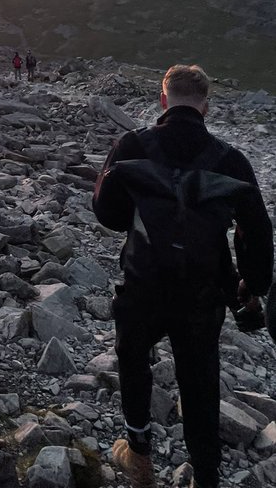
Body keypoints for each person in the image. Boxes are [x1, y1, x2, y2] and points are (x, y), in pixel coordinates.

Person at [92, 64, 273, 488]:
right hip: (203, 291)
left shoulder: (132, 145)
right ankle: (205, 474)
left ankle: (139, 458)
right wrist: (253, 283)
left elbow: (107, 212)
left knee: (133, 359)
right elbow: (257, 230)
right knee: (200, 378)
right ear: (205, 107)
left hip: (143, 281)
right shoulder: (231, 160)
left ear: (163, 100)